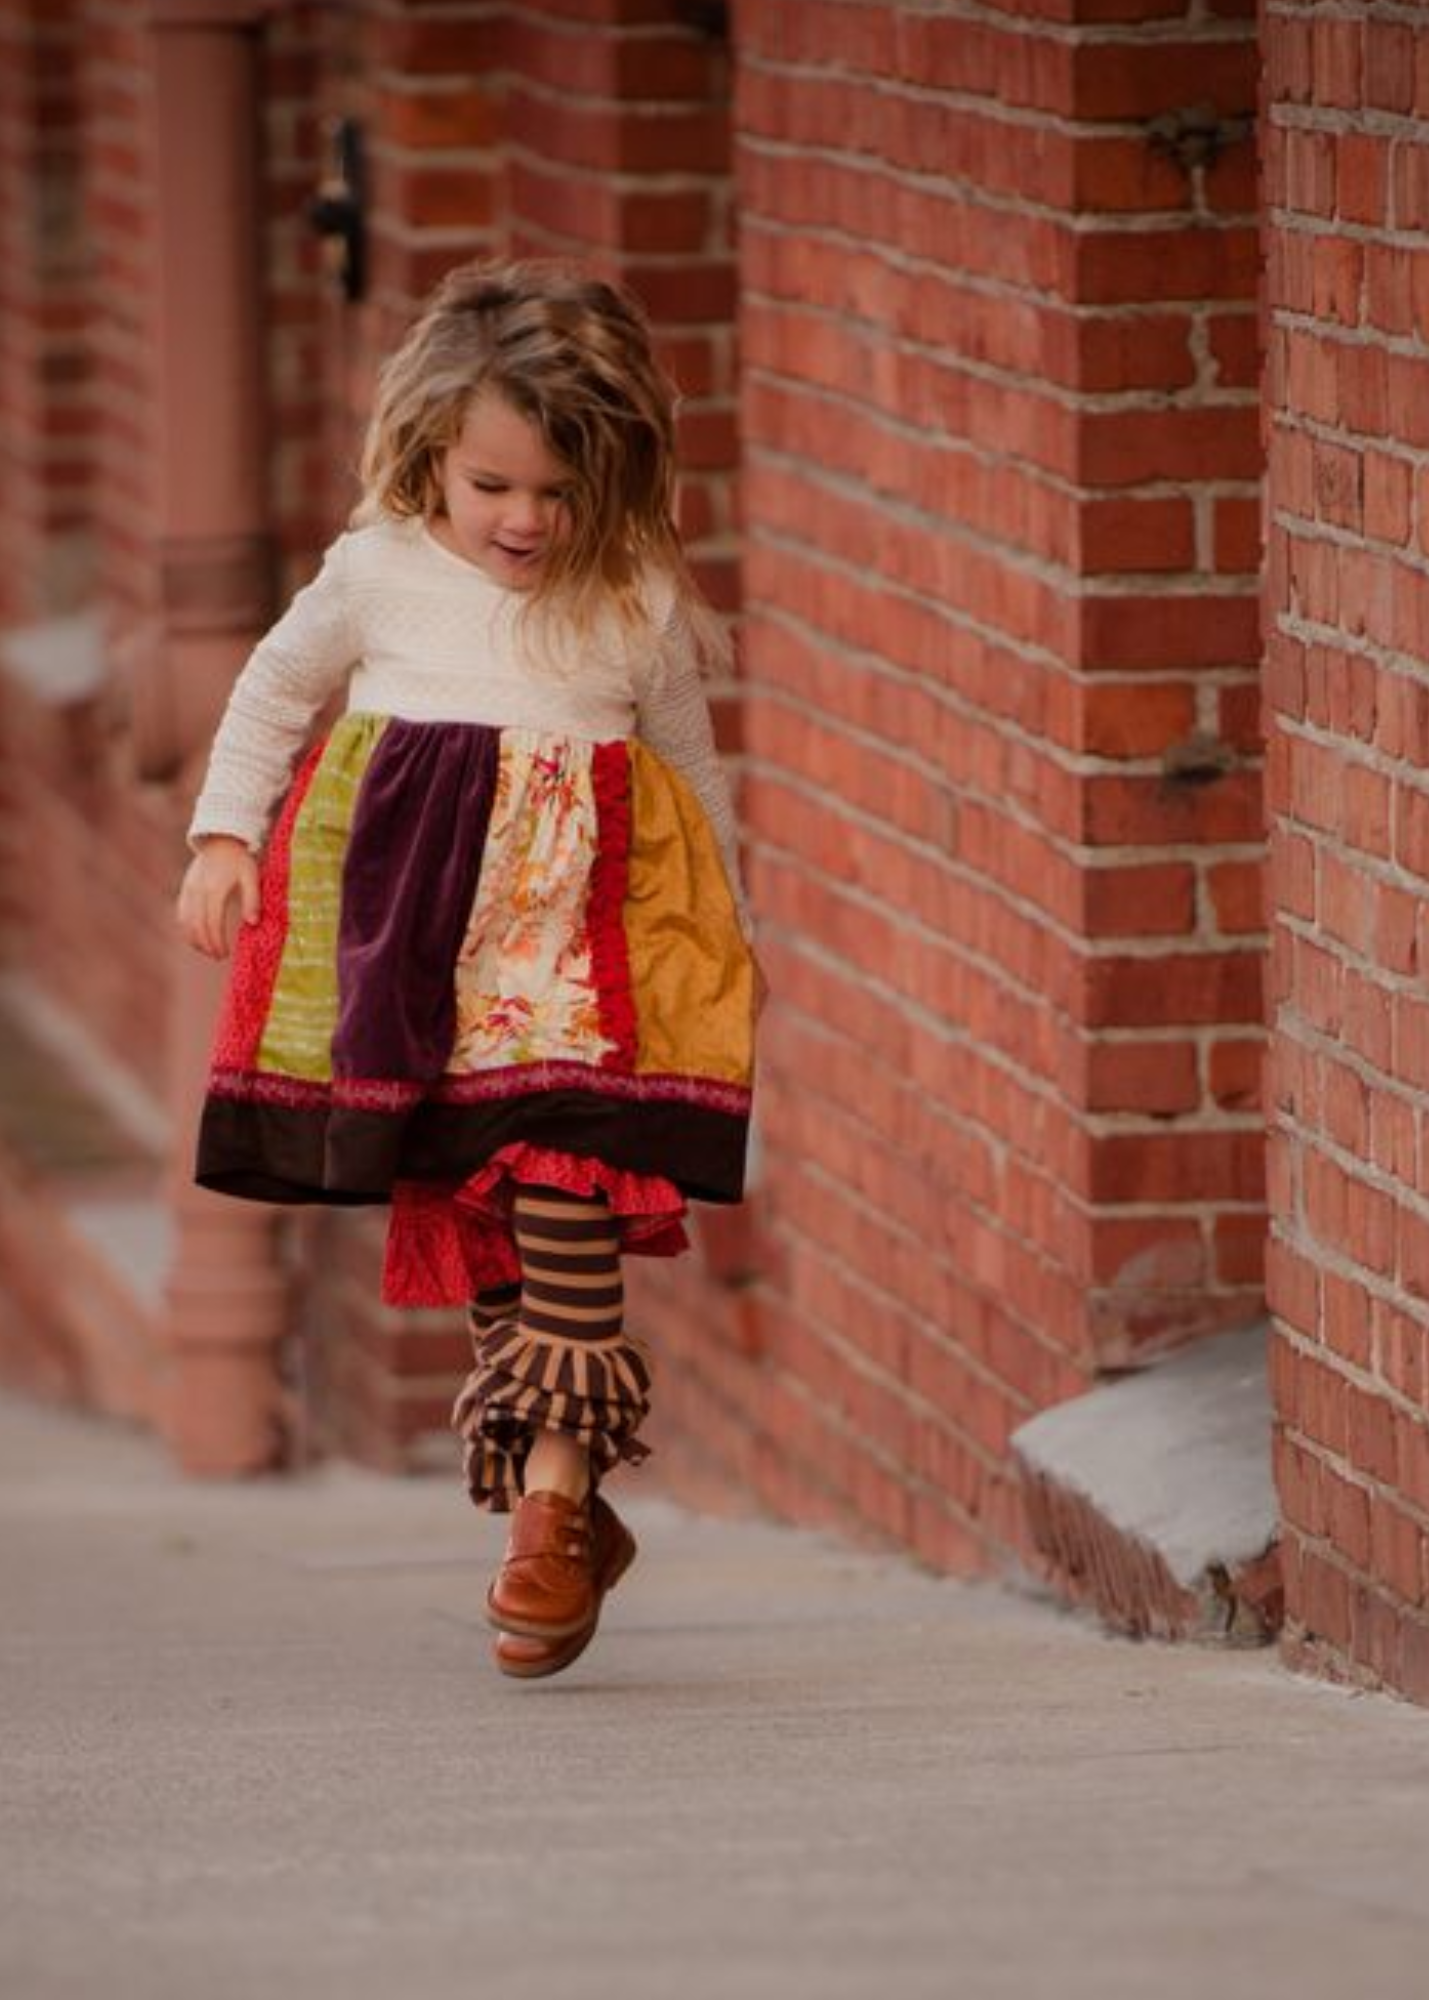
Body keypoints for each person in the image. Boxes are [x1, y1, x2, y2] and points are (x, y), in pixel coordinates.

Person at [176, 257, 764, 1680]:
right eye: (496, 485)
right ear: (433, 450)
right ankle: (561, 1490)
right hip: (418, 953)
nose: (526, 520)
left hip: (583, 953)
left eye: (561, 494)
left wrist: (722, 933)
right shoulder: (376, 571)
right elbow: (271, 690)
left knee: (567, 1192)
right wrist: (220, 835)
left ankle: (550, 1515)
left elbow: (686, 770)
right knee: (491, 1219)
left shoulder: (629, 594)